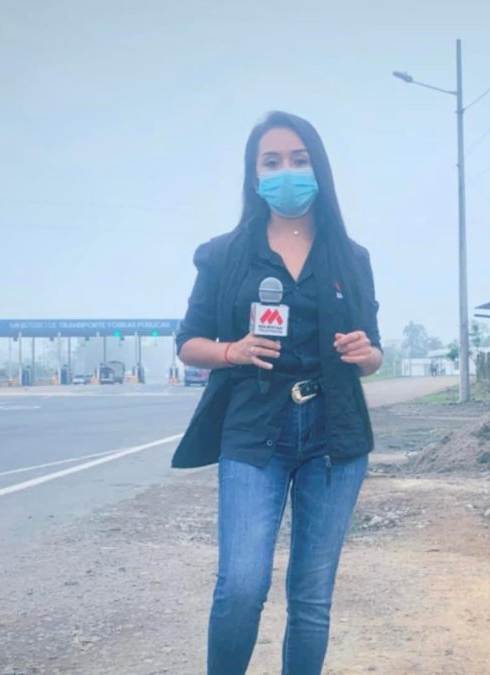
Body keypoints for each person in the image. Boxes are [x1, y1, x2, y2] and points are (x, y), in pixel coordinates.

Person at [172, 111, 382, 675]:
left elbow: (374, 350)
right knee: (242, 584)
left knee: (311, 598)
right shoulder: (224, 255)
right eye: (272, 161)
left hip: (334, 435)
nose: (286, 171)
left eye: (298, 159)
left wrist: (368, 354)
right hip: (253, 428)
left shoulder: (351, 257)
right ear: (254, 173)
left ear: (318, 167)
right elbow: (188, 343)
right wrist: (232, 352)